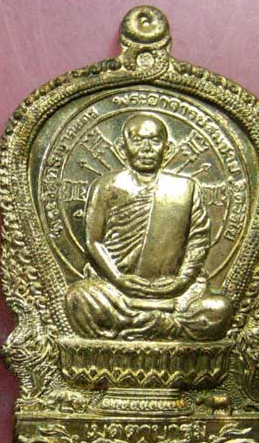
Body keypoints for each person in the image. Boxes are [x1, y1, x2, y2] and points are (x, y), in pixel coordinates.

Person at [64, 113, 232, 341]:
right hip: (116, 292)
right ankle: (162, 326)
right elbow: (94, 241)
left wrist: (182, 280)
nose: (146, 149)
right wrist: (118, 278)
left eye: (154, 141)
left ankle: (140, 326)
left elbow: (198, 240)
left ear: (167, 148)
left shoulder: (186, 188)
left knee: (219, 309)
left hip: (175, 293)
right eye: (137, 140)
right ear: (122, 148)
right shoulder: (106, 186)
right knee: (78, 297)